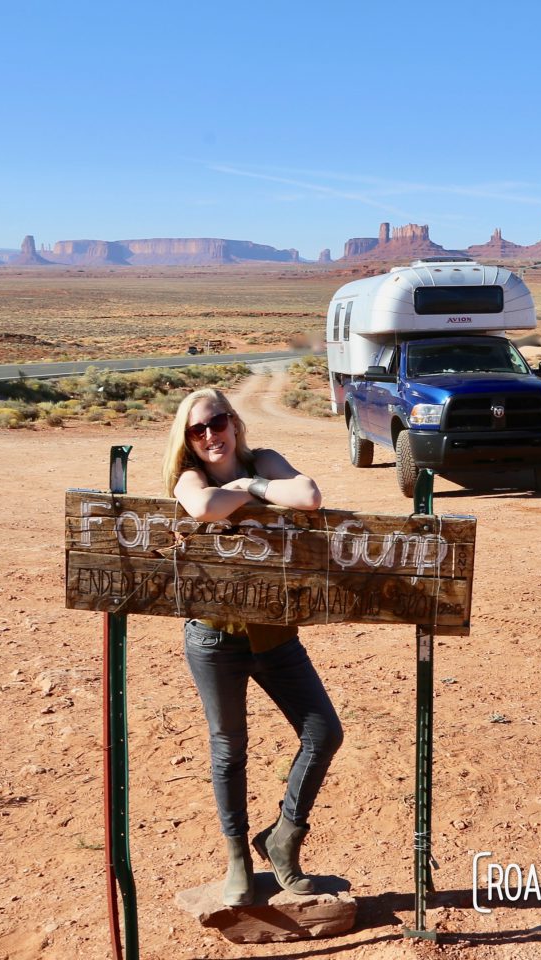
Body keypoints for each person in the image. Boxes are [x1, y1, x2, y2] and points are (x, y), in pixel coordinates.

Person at [162, 387, 343, 906]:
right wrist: (250, 490)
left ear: (234, 422)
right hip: (213, 635)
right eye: (197, 431)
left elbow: (308, 495)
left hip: (274, 632)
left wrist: (249, 480)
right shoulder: (190, 477)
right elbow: (201, 507)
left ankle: (283, 837)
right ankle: (238, 857)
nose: (210, 436)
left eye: (216, 422)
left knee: (323, 732)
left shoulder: (263, 460)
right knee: (228, 749)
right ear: (189, 442)